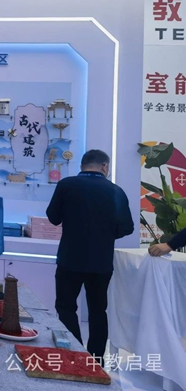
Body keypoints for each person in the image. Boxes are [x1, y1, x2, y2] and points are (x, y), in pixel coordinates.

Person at [47, 149, 134, 365]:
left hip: (69, 258)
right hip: (101, 262)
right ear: (105, 166)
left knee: (66, 307)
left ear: (82, 165)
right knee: (98, 310)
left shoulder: (66, 185)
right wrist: (106, 235)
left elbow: (53, 217)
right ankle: (95, 360)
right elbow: (127, 227)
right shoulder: (115, 191)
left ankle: (75, 354)